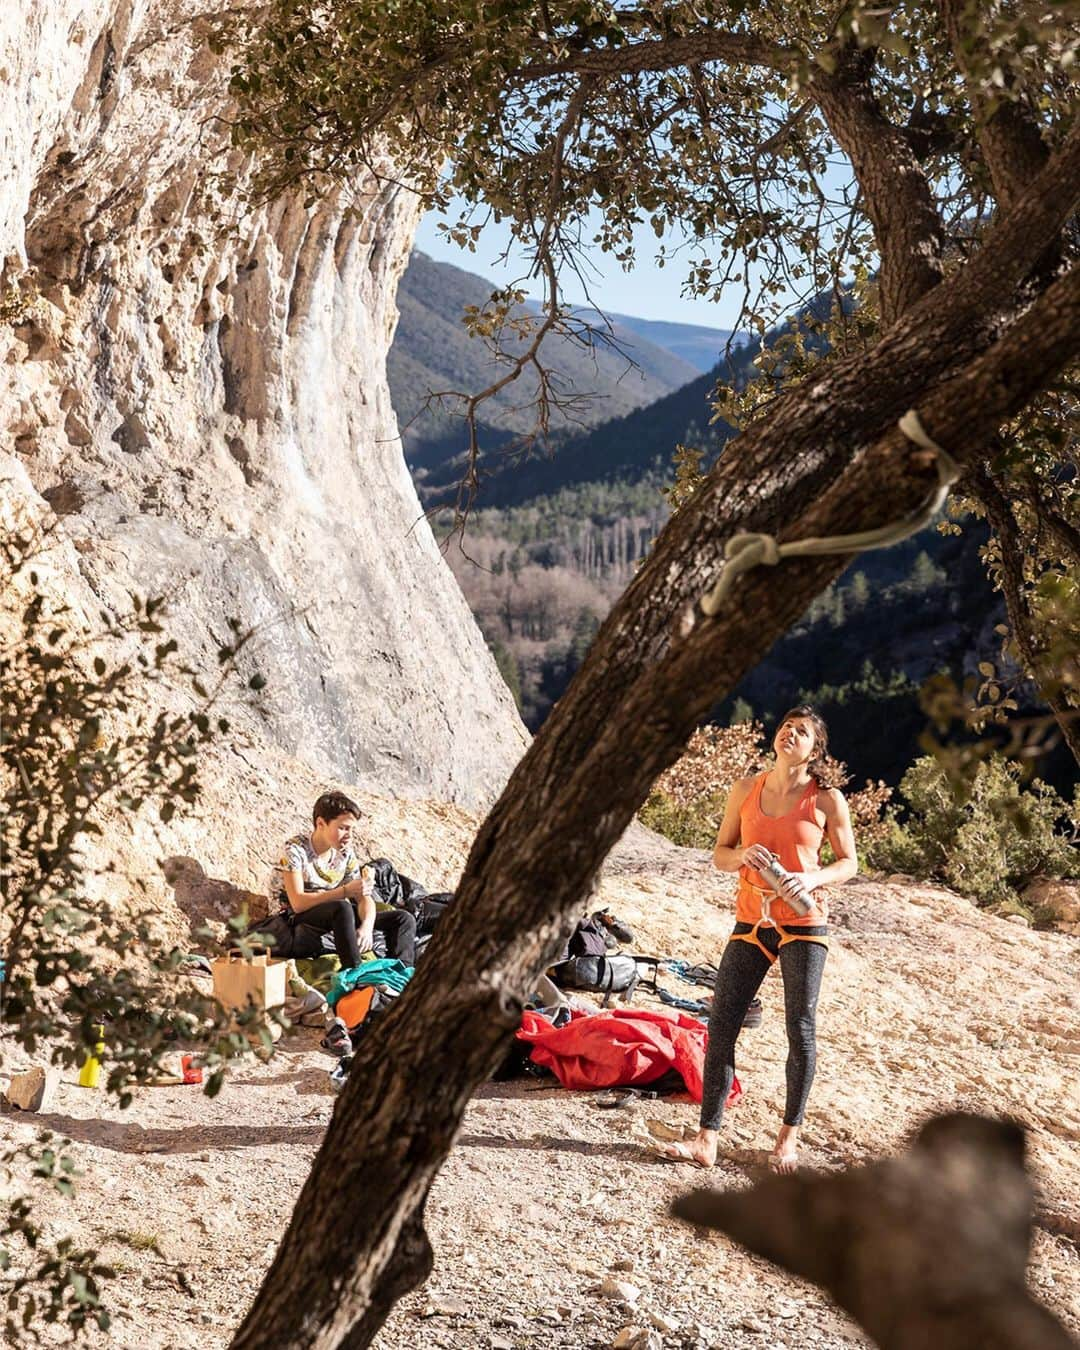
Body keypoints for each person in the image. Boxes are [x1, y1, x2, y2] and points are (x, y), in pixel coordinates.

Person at [663, 706, 857, 1174]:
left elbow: (849, 863)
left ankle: (787, 1140)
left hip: (804, 923)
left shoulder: (826, 800)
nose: (790, 733)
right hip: (751, 919)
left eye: (803, 732)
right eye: (787, 727)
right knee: (722, 1022)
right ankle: (706, 1139)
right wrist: (743, 856)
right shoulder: (746, 789)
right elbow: (720, 854)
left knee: (800, 1027)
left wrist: (809, 880)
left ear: (815, 750)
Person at [267, 791, 417, 969]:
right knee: (342, 906)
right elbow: (298, 903)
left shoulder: (345, 853)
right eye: (343, 828)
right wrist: (344, 892)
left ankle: (401, 976)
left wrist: (367, 927)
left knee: (403, 918)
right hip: (296, 916)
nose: (349, 835)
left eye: (351, 829)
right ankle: (355, 971)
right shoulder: (295, 850)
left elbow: (363, 897)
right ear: (321, 823)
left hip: (334, 913)